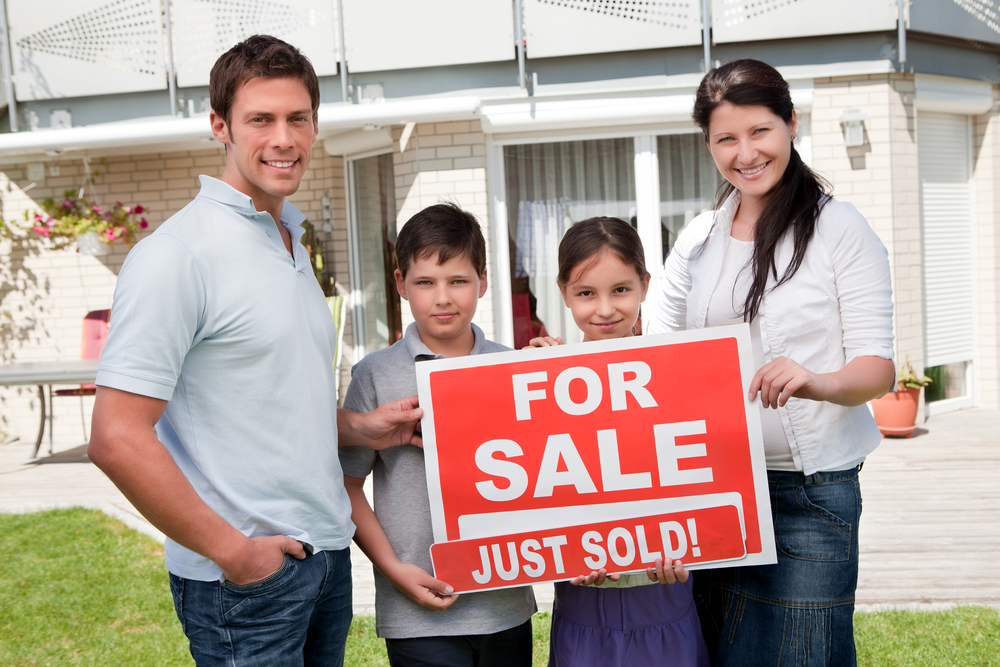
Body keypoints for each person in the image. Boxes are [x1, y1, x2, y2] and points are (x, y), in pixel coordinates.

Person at [88, 35, 422, 667]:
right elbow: (116, 436)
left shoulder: (288, 239)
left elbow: (266, 396)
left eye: (298, 118)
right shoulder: (178, 255)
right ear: (220, 126)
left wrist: (361, 426)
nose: (284, 138)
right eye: (260, 120)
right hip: (246, 581)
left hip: (325, 560)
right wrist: (234, 553)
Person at [646, 58, 895, 666]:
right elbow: (655, 352)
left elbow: (879, 368)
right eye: (726, 138)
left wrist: (818, 381)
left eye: (759, 130)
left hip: (806, 496)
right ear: (708, 145)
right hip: (711, 489)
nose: (745, 152)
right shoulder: (699, 237)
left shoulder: (839, 228)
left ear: (790, 123)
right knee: (715, 652)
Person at [339, 203, 536, 667]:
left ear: (483, 282)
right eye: (425, 282)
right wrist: (391, 569)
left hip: (504, 606)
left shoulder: (513, 368)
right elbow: (346, 483)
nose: (442, 297)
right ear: (401, 283)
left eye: (458, 281)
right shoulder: (374, 375)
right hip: (416, 608)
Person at [528, 217, 710, 667]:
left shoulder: (675, 376)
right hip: (583, 605)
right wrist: (525, 384)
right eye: (586, 293)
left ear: (646, 286)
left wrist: (688, 546)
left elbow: (697, 476)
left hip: (664, 598)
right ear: (564, 292)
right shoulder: (540, 380)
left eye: (621, 290)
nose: (605, 309)